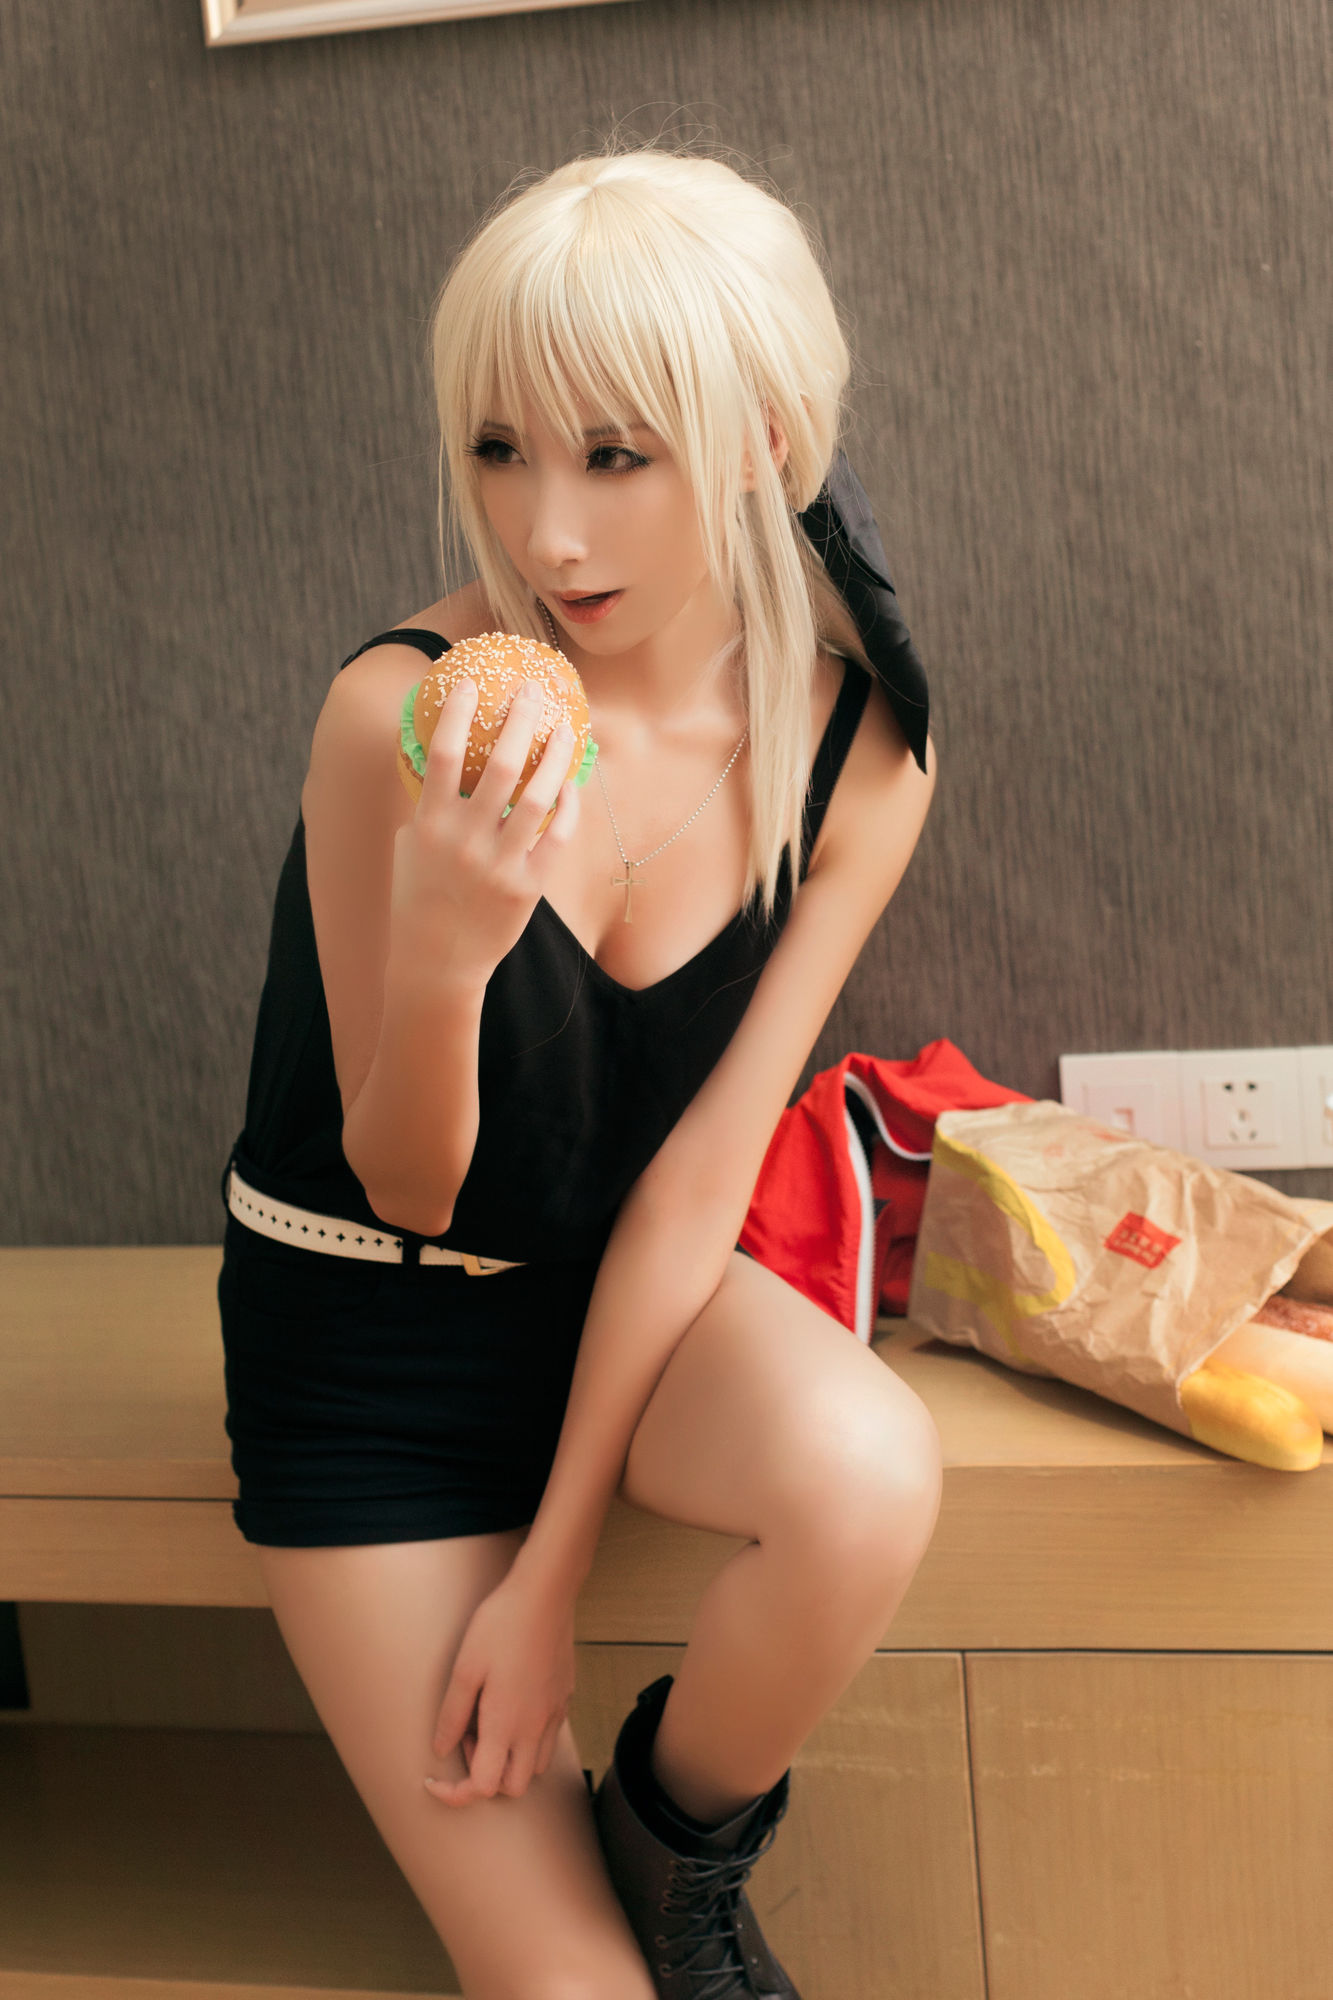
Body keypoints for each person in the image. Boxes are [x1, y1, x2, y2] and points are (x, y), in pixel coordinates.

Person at [217, 141, 942, 2000]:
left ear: (765, 440)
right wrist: (450, 947)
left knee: (866, 1471)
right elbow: (403, 1181)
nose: (544, 537)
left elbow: (697, 1185)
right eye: (498, 450)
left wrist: (546, 1581)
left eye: (615, 457)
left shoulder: (859, 755)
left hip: (625, 1297)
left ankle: (675, 1848)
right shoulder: (399, 713)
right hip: (370, 1339)